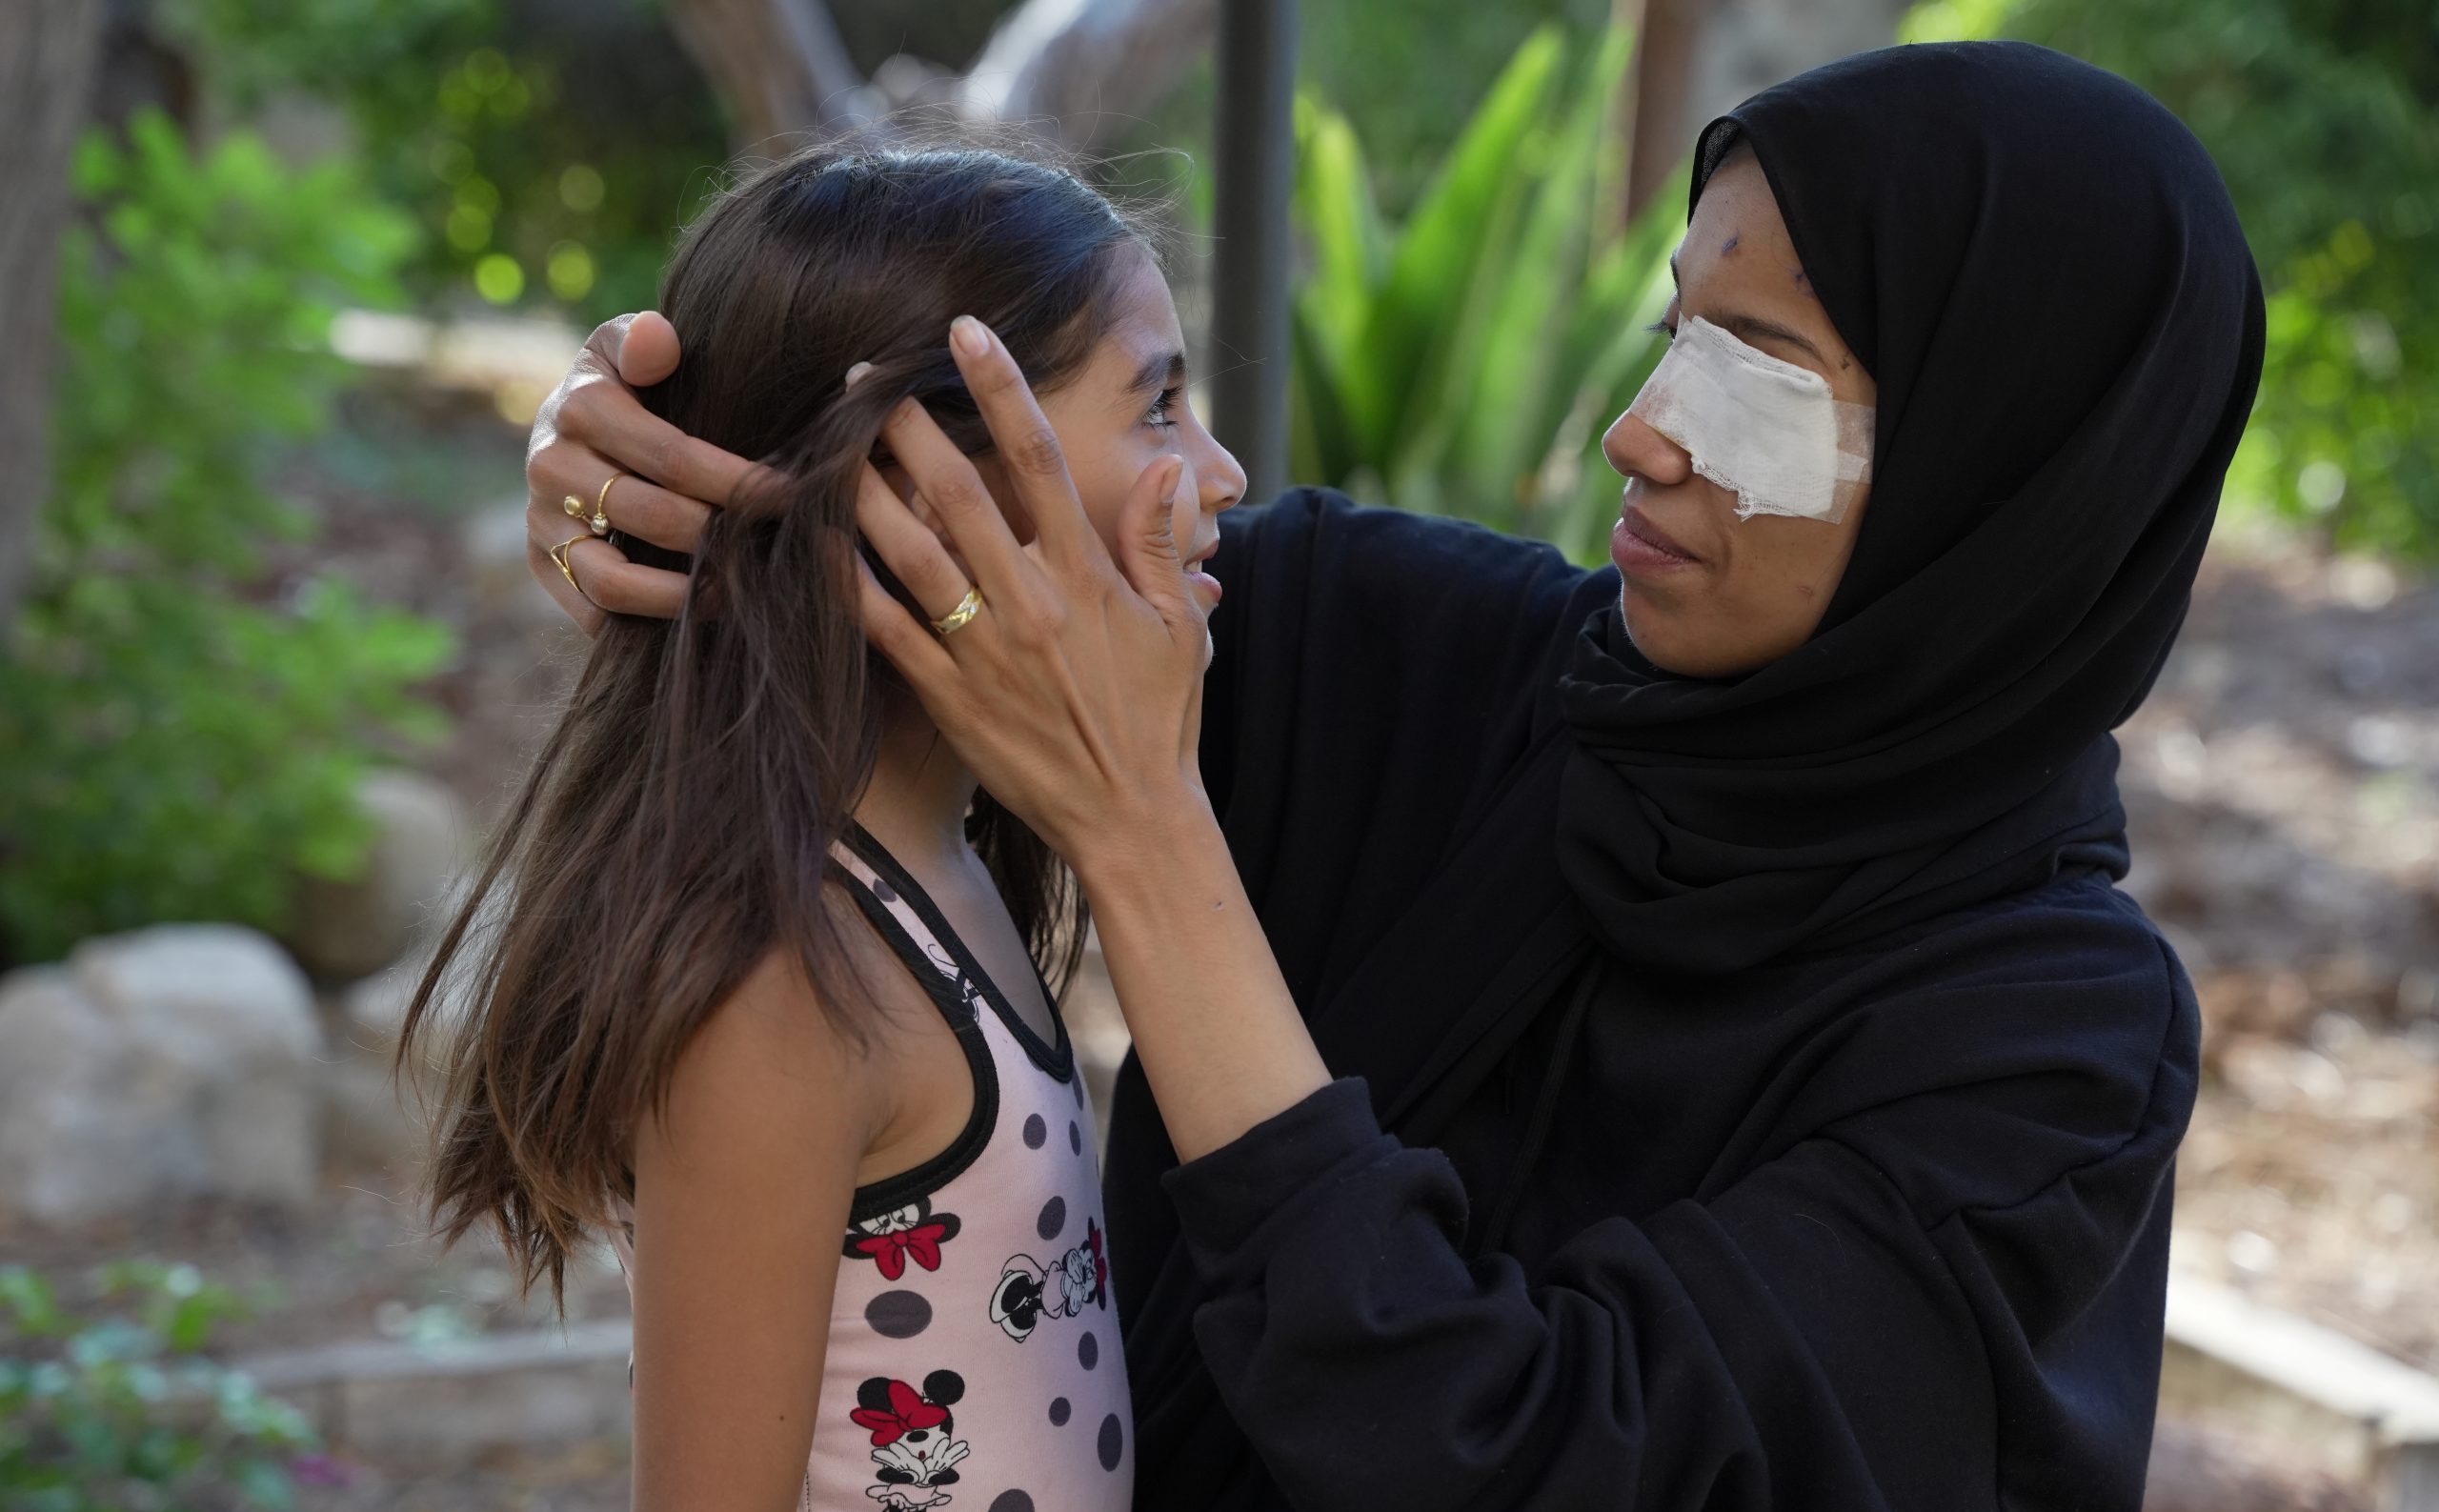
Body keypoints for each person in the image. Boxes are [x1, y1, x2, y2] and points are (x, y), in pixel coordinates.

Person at [517, 42, 2263, 1512]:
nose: (1642, 429)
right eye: (1679, 331)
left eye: (1762, 380)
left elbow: (1529, 1456)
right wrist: (674, 454)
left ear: (1997, 484)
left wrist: (1149, 842)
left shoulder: (2050, 1055)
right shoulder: (1409, 664)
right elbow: (998, 520)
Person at [398, 143, 1245, 1512]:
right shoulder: (789, 989)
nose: (1221, 470)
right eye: (1157, 407)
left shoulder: (945, 866)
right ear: (915, 479)